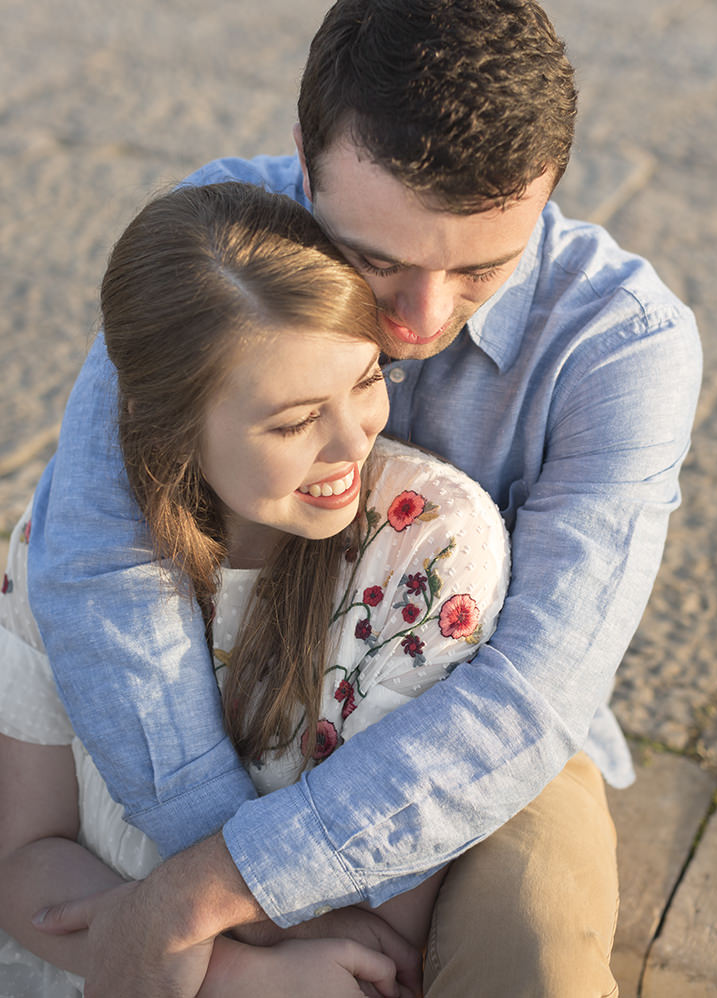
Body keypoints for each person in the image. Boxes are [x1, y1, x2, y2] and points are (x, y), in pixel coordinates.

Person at [26, 0, 701, 996]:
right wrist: (252, 912)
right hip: (218, 682)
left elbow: (532, 695)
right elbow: (95, 557)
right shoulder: (218, 237)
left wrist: (214, 890)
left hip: (480, 739)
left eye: (481, 268)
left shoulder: (625, 342)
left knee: (533, 972)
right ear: (304, 161)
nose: (421, 321)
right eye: (376, 259)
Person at [1, 182, 510, 996]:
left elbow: (379, 933)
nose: (355, 439)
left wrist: (169, 931)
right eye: (293, 420)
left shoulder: (429, 556)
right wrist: (227, 975)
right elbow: (24, 857)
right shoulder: (68, 536)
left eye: (369, 377)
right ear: (168, 427)